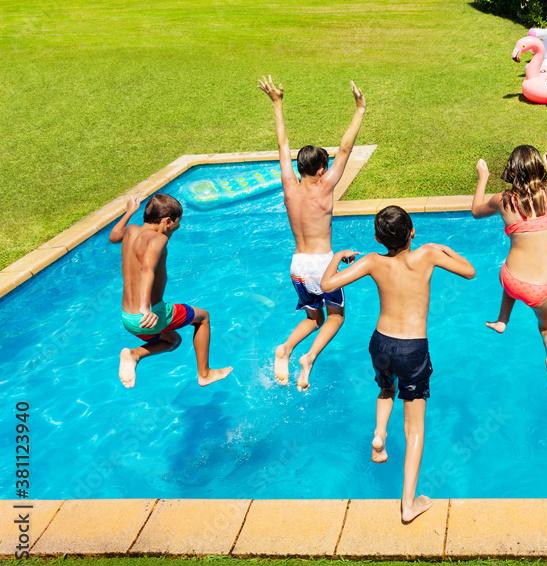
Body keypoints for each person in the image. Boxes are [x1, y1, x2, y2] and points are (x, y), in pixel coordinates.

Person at [320, 206, 475, 523]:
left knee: (386, 388)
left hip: (381, 343)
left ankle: (379, 436)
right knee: (414, 427)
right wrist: (441, 248)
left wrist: (336, 257)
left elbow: (326, 285)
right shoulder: (429, 254)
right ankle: (408, 504)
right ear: (413, 232)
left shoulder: (374, 261)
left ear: (378, 238)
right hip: (413, 349)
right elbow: (469, 271)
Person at [258, 75, 366, 391]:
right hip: (322, 266)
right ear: (320, 170)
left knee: (312, 317)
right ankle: (308, 359)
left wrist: (277, 103)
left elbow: (282, 144)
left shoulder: (289, 187)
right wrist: (359, 110)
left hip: (297, 267)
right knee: (335, 318)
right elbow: (346, 148)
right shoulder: (325, 186)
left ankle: (285, 348)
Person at [470, 145, 547, 400]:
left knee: (512, 281)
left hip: (511, 277)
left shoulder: (503, 200)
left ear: (512, 170)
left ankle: (502, 320)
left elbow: (476, 212)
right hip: (544, 287)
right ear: (538, 168)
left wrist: (482, 178)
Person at [110, 194, 232, 388]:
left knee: (173, 340)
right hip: (149, 317)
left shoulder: (130, 231)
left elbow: (113, 235)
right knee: (203, 317)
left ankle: (133, 355)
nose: (178, 227)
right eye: (178, 222)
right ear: (167, 221)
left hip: (128, 319)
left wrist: (129, 212)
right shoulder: (158, 239)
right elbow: (147, 269)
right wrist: (146, 308)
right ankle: (205, 374)